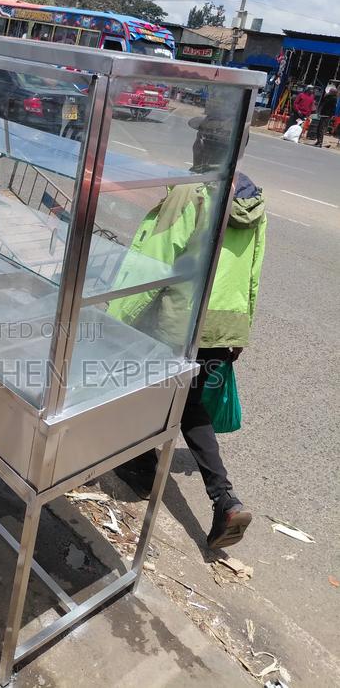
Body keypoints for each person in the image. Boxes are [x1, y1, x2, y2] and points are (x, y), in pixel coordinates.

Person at [110, 112, 267, 550]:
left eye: (200, 138)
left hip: (181, 320)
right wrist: (241, 330)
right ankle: (223, 499)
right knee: (190, 402)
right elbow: (253, 271)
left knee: (146, 386)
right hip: (222, 324)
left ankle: (146, 470)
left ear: (204, 146)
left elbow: (153, 261)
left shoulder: (191, 191)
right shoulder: (253, 199)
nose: (194, 144)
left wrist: (113, 318)